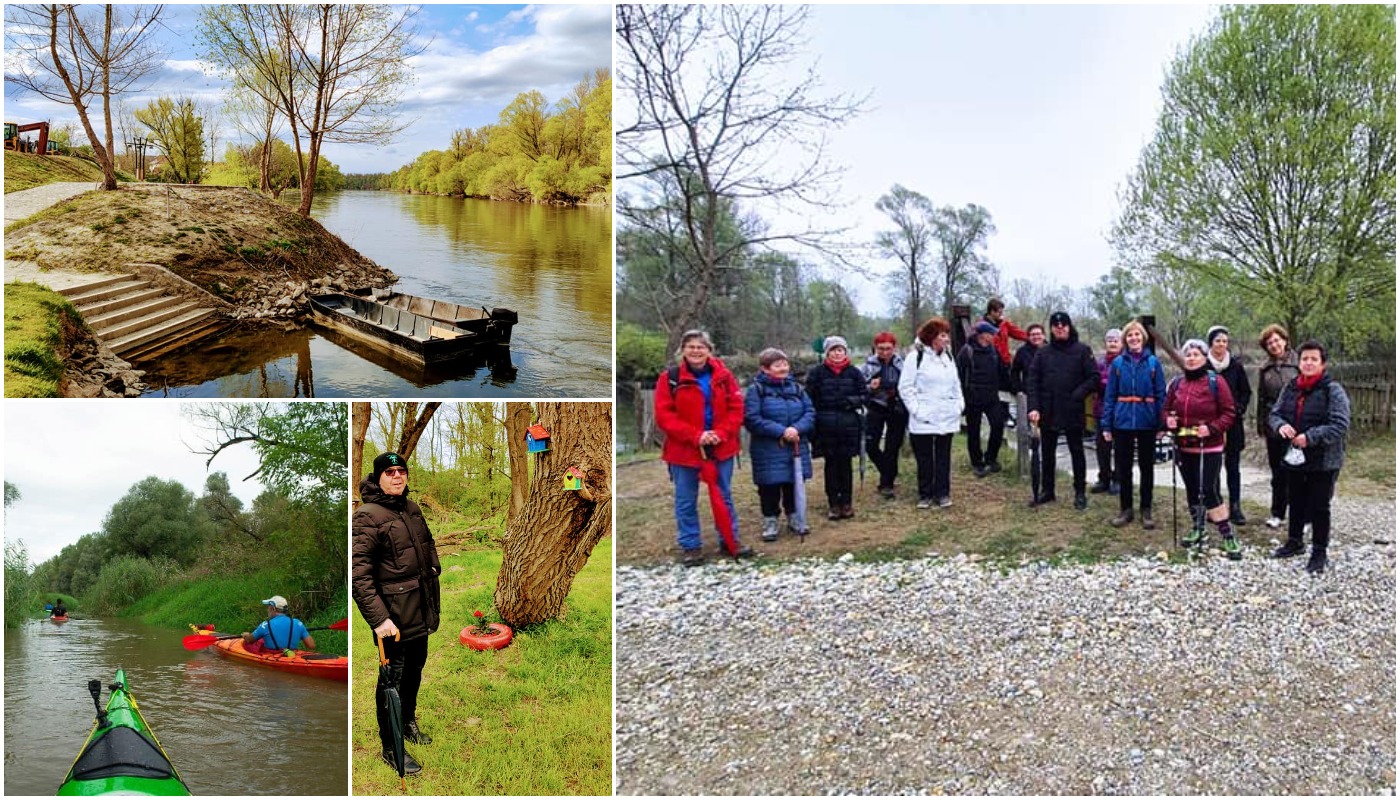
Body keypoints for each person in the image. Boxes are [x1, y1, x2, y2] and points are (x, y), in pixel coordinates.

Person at [353, 451, 443, 775]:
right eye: (389, 472)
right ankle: (391, 748)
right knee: (391, 680)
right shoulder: (366, 516)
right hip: (392, 619)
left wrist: (434, 568)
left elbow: (428, 544)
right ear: (378, 478)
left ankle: (407, 723)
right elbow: (359, 577)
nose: (397, 476)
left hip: (420, 611)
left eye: (401, 471)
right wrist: (380, 620)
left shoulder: (412, 509)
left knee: (415, 671)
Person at [654, 330, 752, 565]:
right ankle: (691, 545)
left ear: (709, 350)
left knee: (723, 495)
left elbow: (736, 408)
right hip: (684, 450)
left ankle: (729, 539)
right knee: (686, 499)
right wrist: (695, 435)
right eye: (691, 346)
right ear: (683, 350)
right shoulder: (670, 378)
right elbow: (664, 415)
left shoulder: (724, 376)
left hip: (720, 447)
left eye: (701, 347)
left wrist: (721, 433)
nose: (696, 351)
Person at [1267, 341, 1350, 574]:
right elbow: (1274, 414)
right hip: (1295, 457)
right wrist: (1280, 426)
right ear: (1299, 362)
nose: (1309, 363)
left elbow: (1339, 424)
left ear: (1323, 364)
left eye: (1314, 359)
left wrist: (1310, 437)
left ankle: (1319, 551)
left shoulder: (1333, 390)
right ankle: (1295, 542)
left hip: (1323, 459)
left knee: (1319, 506)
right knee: (1295, 499)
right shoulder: (1291, 387)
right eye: (1305, 359)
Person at [1164, 340, 1241, 558]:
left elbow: (1229, 413)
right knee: (1191, 489)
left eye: (1196, 354)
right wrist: (1168, 421)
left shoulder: (1216, 382)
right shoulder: (1176, 383)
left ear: (1204, 358)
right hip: (1184, 445)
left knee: (1208, 490)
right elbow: (1166, 409)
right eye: (1188, 355)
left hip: (1209, 446)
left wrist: (1212, 428)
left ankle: (1227, 535)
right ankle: (1198, 528)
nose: (1191, 358)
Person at [1026, 311, 1098, 510]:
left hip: (1072, 408)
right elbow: (1032, 381)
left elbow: (1093, 377)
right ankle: (1047, 490)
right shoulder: (1043, 353)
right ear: (1051, 329)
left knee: (1077, 451)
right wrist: (1033, 407)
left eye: (1063, 326)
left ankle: (1080, 492)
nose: (1060, 329)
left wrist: (1078, 394)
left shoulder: (1082, 350)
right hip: (1048, 408)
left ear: (1069, 327)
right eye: (1056, 326)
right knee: (1047, 452)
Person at [743, 347, 815, 541]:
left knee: (793, 482)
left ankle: (795, 516)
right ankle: (770, 520)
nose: (783, 368)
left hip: (795, 444)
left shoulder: (797, 389)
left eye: (785, 364)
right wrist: (781, 431)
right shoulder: (756, 390)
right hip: (768, 448)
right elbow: (752, 419)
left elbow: (809, 412)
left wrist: (796, 429)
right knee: (769, 485)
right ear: (765, 369)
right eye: (777, 365)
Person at [1100, 321, 1166, 529]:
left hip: (1147, 421)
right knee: (1124, 468)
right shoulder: (1118, 364)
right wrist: (1106, 425)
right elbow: (1110, 396)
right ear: (1125, 340)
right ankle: (1126, 509)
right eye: (1130, 335)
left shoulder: (1154, 363)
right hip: (1123, 421)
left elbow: (1161, 395)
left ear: (1143, 338)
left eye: (1137, 335)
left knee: (1147, 467)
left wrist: (1162, 424)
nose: (1134, 338)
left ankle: (1146, 509)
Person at [898, 317, 963, 509]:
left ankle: (942, 493)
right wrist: (917, 410)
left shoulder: (948, 357)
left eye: (947, 335)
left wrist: (959, 405)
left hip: (946, 415)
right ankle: (925, 494)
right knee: (925, 457)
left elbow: (956, 384)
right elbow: (905, 387)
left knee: (943, 457)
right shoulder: (915, 358)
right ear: (932, 337)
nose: (947, 339)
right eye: (943, 335)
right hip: (923, 417)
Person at [805, 336, 869, 520]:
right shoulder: (817, 373)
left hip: (848, 424)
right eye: (833, 350)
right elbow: (808, 398)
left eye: (840, 350)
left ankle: (847, 502)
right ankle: (833, 503)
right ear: (827, 353)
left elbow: (865, 396)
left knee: (846, 465)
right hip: (825, 425)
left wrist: (851, 401)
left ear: (845, 352)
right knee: (831, 465)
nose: (837, 353)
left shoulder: (854, 373)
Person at [1206, 326, 1252, 525]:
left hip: (1233, 423)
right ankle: (1215, 506)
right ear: (1211, 343)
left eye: (1225, 341)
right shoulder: (1204, 366)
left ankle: (1235, 507)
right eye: (1218, 341)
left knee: (1233, 466)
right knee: (1213, 467)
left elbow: (1246, 392)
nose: (1222, 344)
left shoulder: (1236, 366)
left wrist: (1237, 409)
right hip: (1211, 424)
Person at [1256, 324, 1300, 530]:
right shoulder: (1265, 369)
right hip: (1274, 423)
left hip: (1297, 421)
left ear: (1284, 340)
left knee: (1298, 472)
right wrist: (1261, 425)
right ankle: (1277, 513)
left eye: (1276, 340)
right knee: (1278, 472)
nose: (1274, 345)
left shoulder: (1299, 363)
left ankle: (1301, 514)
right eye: (1269, 343)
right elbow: (1261, 398)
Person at [956, 320, 1008, 476]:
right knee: (973, 431)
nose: (993, 336)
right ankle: (977, 462)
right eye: (991, 333)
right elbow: (958, 375)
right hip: (972, 398)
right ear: (983, 335)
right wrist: (962, 398)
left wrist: (1014, 387)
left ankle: (991, 458)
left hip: (991, 397)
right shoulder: (967, 351)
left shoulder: (993, 351)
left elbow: (1002, 371)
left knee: (998, 425)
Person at [861, 332, 908, 499]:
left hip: (897, 408)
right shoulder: (867, 366)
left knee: (892, 447)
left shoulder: (903, 365)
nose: (885, 352)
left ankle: (886, 484)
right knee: (871, 445)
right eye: (881, 349)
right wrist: (870, 387)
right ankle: (888, 471)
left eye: (888, 348)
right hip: (875, 407)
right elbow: (859, 388)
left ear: (894, 348)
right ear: (875, 348)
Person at [1090, 328, 1125, 495]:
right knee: (1102, 446)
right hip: (1101, 410)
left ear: (1122, 343)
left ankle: (1119, 479)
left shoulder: (1126, 361)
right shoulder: (1099, 362)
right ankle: (1104, 477)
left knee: (1120, 447)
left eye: (1116, 340)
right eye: (1109, 340)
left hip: (1121, 410)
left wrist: (1106, 384)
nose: (1112, 343)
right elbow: (1094, 381)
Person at [242, 596, 314, 653]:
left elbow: (250, 640)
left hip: (271, 657)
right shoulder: (298, 623)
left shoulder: (266, 625)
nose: (267, 610)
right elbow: (311, 646)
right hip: (291, 656)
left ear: (273, 609)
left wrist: (246, 635)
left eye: (268, 607)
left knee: (259, 642)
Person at [982, 297, 1029, 367]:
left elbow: (1018, 333)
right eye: (999, 312)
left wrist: (1032, 338)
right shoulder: (982, 326)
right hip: (990, 363)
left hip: (1005, 362)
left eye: (1002, 312)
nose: (1001, 315)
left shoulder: (1004, 324)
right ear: (992, 311)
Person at [1009, 324, 1045, 396]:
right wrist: (1018, 389)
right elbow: (1014, 372)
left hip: (1048, 393)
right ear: (1028, 337)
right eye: (1033, 335)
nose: (1036, 337)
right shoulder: (1022, 352)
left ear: (1043, 335)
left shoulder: (1051, 350)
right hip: (1029, 393)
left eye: (1038, 334)